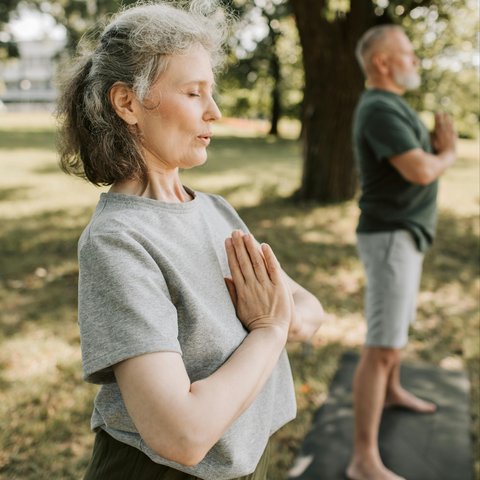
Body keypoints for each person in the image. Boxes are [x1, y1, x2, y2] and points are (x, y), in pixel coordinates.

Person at [56, 1, 324, 479]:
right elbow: (180, 434)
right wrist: (267, 330)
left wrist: (278, 319)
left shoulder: (215, 210)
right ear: (128, 103)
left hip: (244, 462)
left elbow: (308, 309)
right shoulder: (118, 241)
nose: (215, 111)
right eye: (194, 93)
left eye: (211, 93)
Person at [347, 25, 457, 480]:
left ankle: (391, 392)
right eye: (407, 54)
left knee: (393, 339)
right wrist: (447, 152)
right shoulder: (377, 107)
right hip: (391, 237)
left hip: (402, 235)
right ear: (382, 63)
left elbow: (412, 157)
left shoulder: (391, 105)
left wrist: (434, 146)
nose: (415, 60)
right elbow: (420, 170)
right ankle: (363, 459)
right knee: (381, 348)